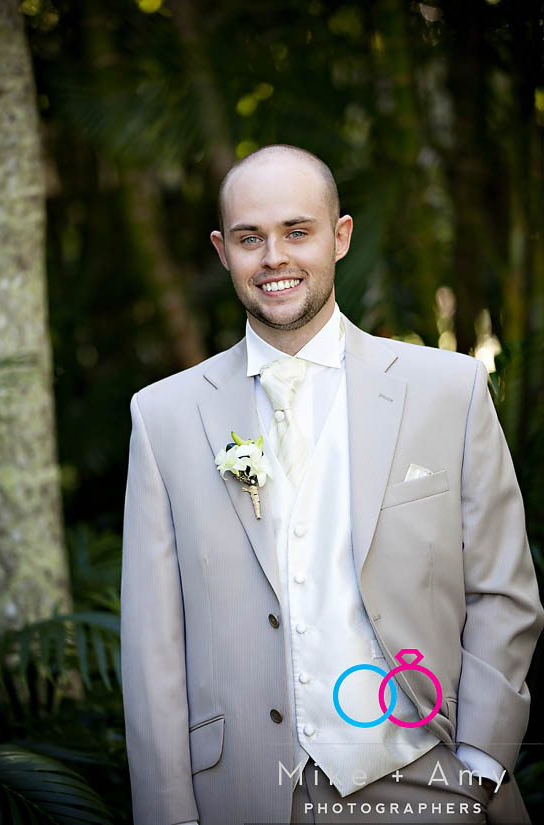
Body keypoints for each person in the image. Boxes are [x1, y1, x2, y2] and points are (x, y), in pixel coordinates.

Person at [120, 144, 544, 825]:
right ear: (222, 251)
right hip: (242, 799)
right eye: (250, 238)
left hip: (429, 781)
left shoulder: (449, 389)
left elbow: (502, 588)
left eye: (297, 231)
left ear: (339, 237)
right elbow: (153, 649)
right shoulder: (163, 416)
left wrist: (481, 764)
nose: (274, 258)